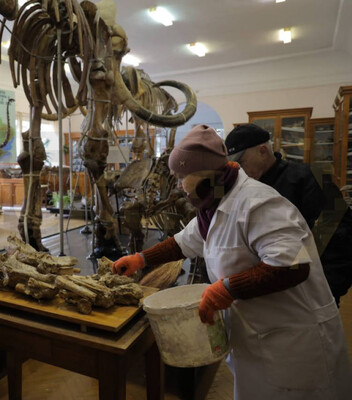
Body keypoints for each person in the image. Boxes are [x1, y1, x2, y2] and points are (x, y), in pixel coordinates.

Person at [113, 124, 352, 400]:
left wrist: (227, 288)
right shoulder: (214, 200)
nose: (179, 185)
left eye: (182, 177)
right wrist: (140, 258)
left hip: (294, 345)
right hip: (257, 340)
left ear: (202, 172)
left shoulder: (259, 203)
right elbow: (184, 241)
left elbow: (293, 265)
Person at [225, 123, 352, 305]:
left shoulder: (310, 179)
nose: (238, 170)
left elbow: (339, 240)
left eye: (241, 162)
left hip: (309, 295)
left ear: (262, 151)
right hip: (268, 296)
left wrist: (326, 292)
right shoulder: (243, 189)